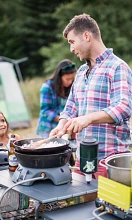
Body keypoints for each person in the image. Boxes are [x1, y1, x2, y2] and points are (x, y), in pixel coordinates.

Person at [50, 13, 132, 179]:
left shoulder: (117, 67)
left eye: (72, 42)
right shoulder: (80, 72)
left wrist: (88, 118)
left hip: (110, 160)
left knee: (109, 206)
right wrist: (61, 125)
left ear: (86, 36)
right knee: (85, 204)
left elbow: (124, 107)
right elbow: (71, 106)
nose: (71, 49)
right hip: (83, 158)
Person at [36, 59, 76, 138]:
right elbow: (45, 110)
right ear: (59, 77)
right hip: (48, 127)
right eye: (67, 79)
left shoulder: (71, 87)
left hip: (63, 127)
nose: (70, 82)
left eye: (72, 79)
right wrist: (62, 119)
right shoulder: (47, 87)